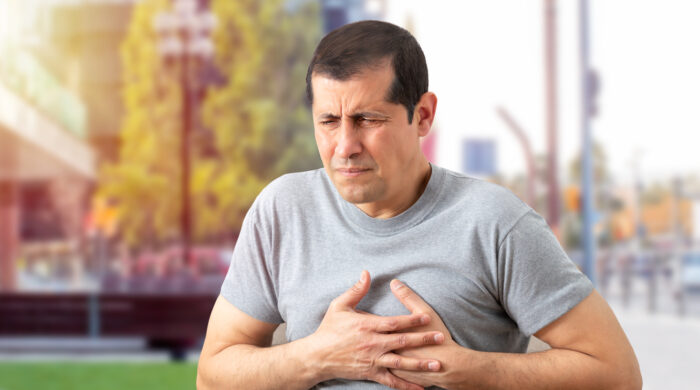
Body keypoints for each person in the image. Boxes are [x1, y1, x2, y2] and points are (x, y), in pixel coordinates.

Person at [197, 20, 641, 390]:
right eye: (328, 121)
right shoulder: (282, 209)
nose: (344, 147)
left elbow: (617, 373)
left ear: (423, 116)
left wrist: (469, 370)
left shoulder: (495, 223)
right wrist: (319, 356)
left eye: (368, 120)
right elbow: (212, 375)